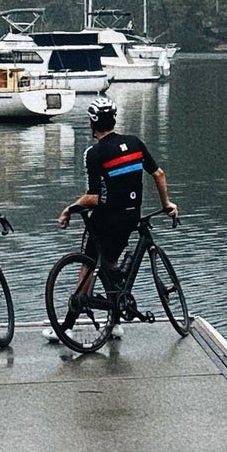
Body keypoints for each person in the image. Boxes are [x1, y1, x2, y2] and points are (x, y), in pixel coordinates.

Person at [57, 97, 176, 311]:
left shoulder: (94, 153)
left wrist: (69, 209)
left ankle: (73, 314)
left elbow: (94, 197)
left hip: (107, 218)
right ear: (114, 119)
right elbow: (158, 174)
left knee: (89, 261)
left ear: (92, 123)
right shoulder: (135, 143)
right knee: (111, 259)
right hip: (131, 216)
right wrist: (166, 204)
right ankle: (116, 312)